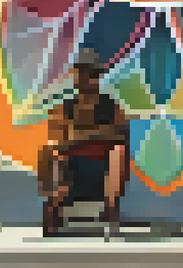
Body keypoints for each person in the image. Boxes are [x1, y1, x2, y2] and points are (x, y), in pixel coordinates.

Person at [37, 50, 130, 236]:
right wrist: (99, 133)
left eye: (92, 74)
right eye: (84, 73)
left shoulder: (112, 107)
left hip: (102, 167)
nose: (88, 79)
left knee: (119, 151)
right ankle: (53, 207)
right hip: (71, 167)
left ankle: (109, 210)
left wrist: (79, 134)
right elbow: (59, 140)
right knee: (46, 151)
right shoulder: (63, 108)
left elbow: (120, 135)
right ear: (77, 76)